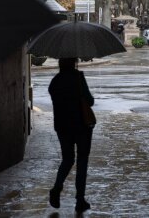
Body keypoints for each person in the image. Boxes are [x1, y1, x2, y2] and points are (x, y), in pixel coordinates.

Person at [48, 58, 95, 213]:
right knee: (82, 161)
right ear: (74, 62)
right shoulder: (78, 78)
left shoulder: (55, 81)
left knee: (67, 159)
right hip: (81, 126)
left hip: (62, 127)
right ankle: (79, 200)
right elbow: (90, 101)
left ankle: (56, 188)